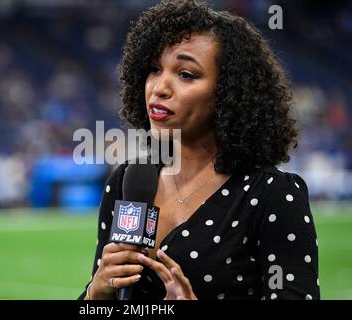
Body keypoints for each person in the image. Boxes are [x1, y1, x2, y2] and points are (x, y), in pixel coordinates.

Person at [79, 0, 320, 300]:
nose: (159, 88)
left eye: (186, 74)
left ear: (229, 92)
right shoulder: (128, 181)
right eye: (154, 69)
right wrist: (95, 294)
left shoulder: (272, 195)